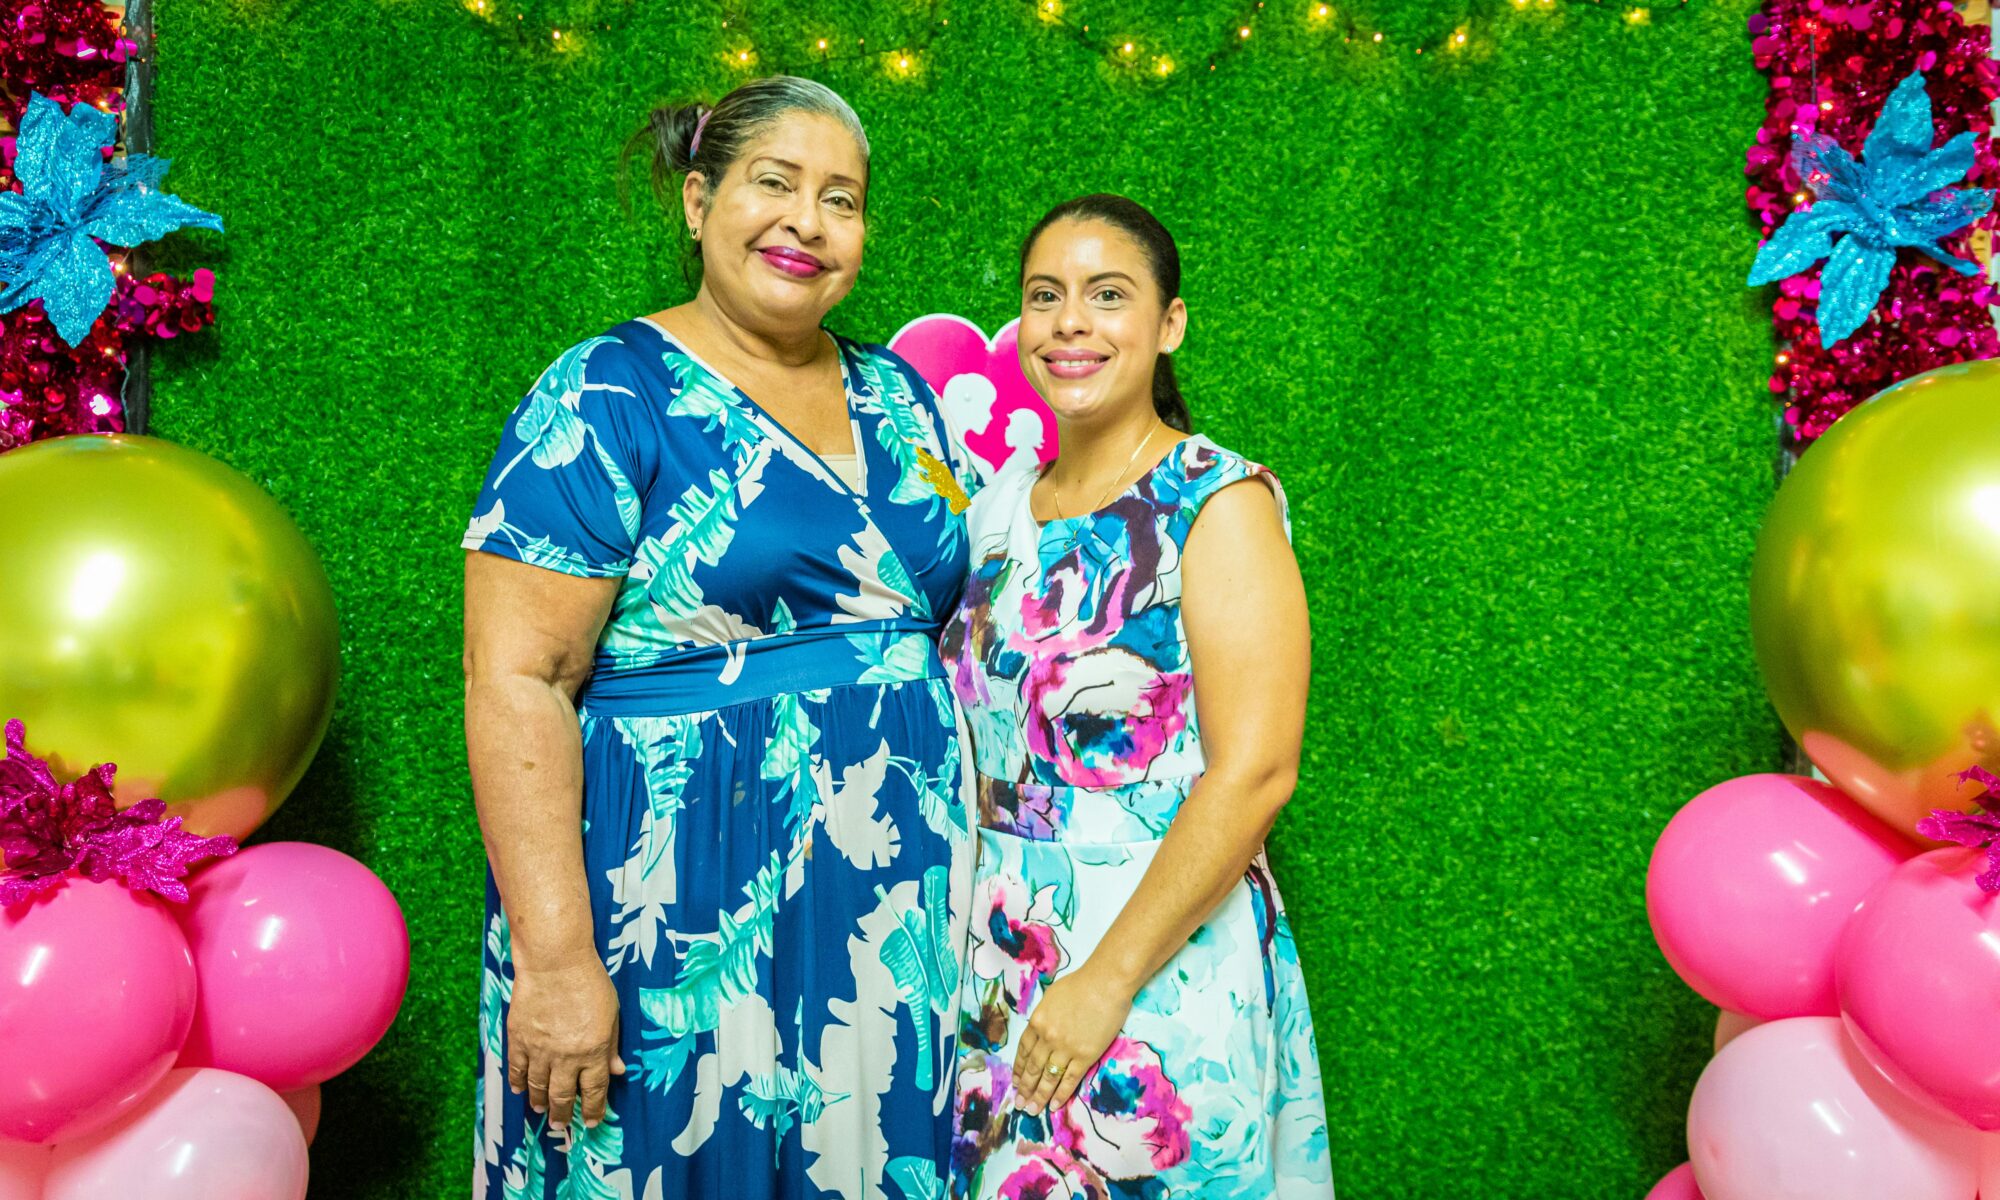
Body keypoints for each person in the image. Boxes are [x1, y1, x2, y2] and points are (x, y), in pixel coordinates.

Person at [463, 75, 977, 1200]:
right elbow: (518, 678)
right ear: (698, 202)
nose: (808, 221)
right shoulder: (605, 393)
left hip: (884, 917)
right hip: (675, 910)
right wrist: (556, 966)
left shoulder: (898, 396)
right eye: (773, 184)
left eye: (841, 199)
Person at [942, 194, 1335, 1198]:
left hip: (1154, 958)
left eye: (1106, 295)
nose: (1069, 322)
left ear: (1167, 325)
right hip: (998, 953)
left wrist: (1103, 982)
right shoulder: (994, 505)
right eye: (1045, 296)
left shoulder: (1217, 503)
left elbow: (1252, 774)